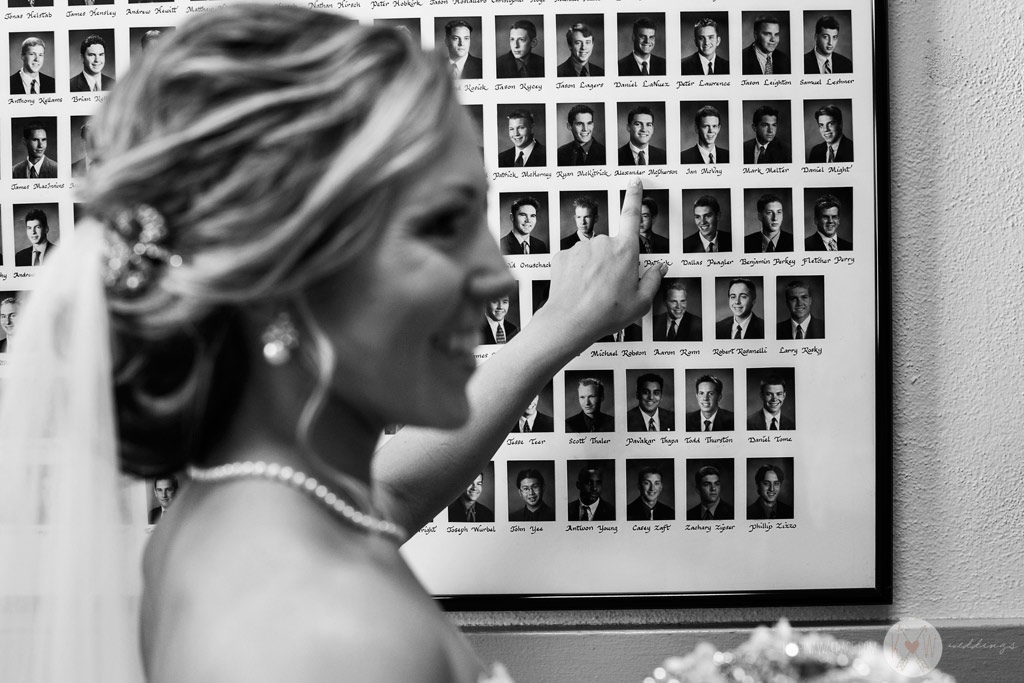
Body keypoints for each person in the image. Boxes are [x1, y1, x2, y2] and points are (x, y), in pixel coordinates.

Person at [0, 7, 667, 681]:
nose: (499, 277)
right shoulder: (330, 642)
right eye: (443, 224)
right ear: (280, 281)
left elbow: (390, 493)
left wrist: (555, 331)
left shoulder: (242, 507)